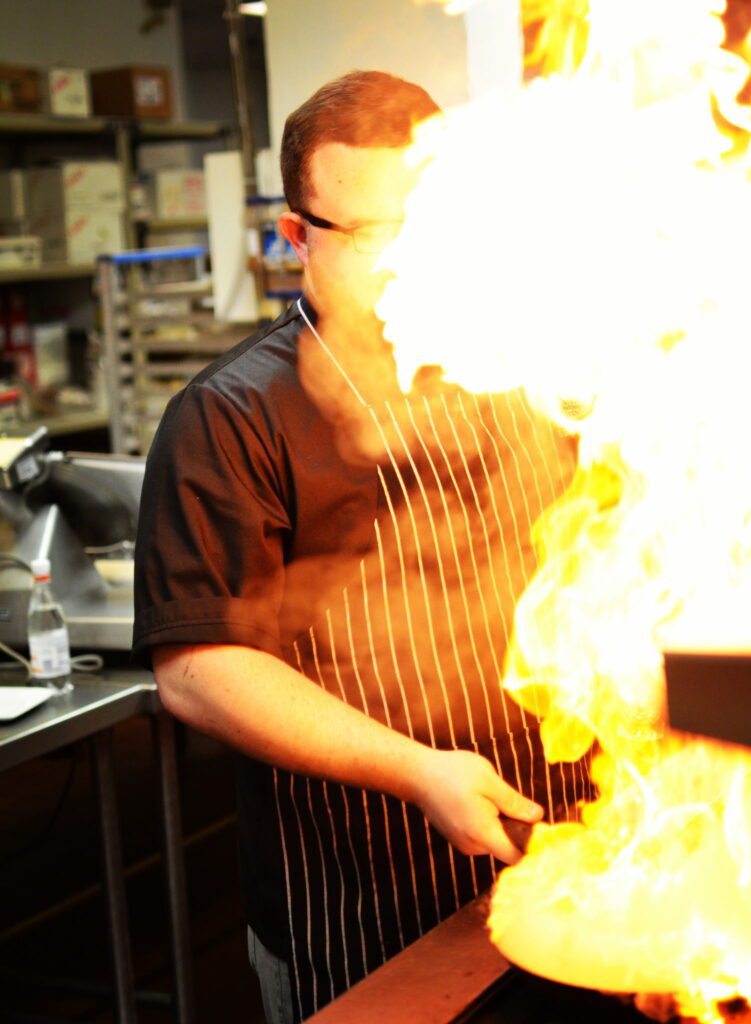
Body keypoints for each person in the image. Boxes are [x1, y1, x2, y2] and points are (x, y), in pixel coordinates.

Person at [133, 70, 579, 1024]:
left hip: (571, 853)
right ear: (296, 235)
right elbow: (200, 669)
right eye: (375, 236)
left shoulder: (509, 368)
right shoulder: (230, 415)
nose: (411, 261)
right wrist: (419, 771)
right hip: (366, 891)